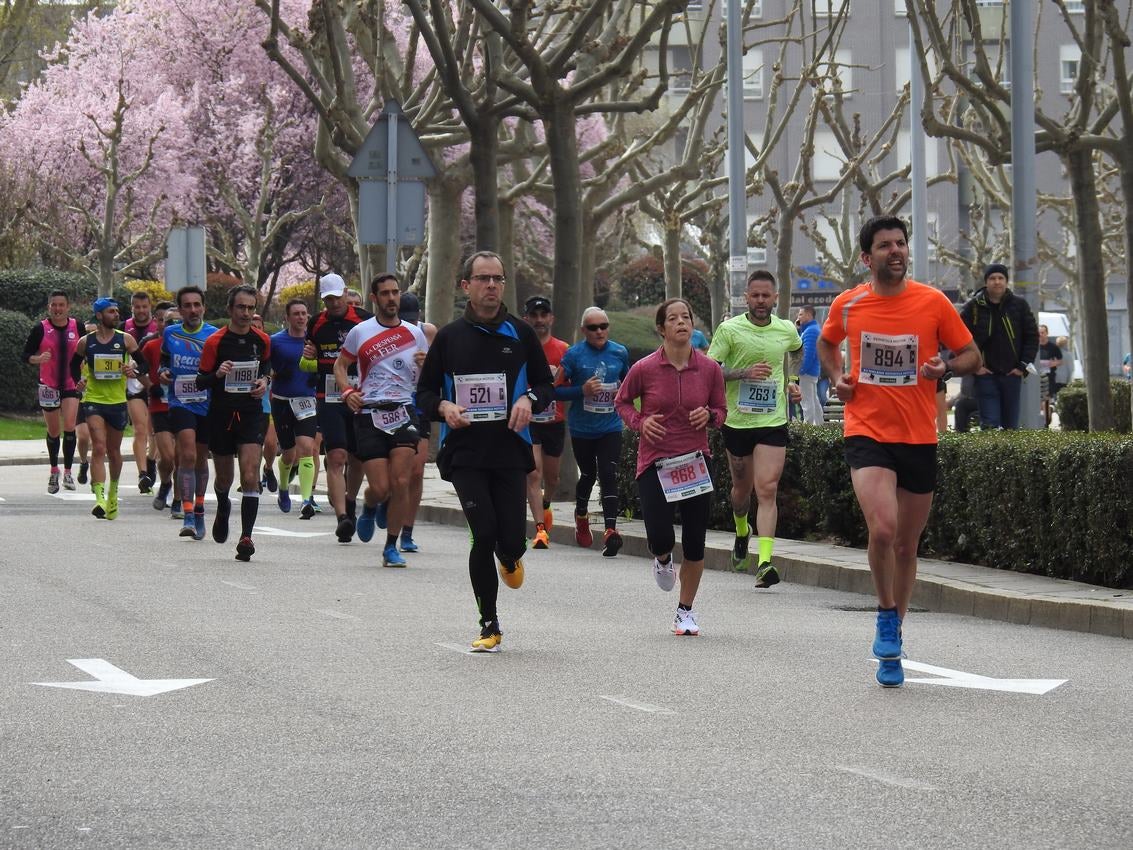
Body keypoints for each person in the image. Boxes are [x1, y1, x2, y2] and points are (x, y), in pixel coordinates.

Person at [818, 216, 980, 688]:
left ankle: (896, 634)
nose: (896, 251)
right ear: (867, 258)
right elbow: (827, 345)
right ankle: (885, 615)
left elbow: (973, 354)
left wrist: (942, 366)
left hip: (918, 436)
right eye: (885, 245)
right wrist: (836, 379)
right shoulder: (847, 305)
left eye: (901, 244)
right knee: (884, 529)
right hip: (867, 431)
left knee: (908, 545)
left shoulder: (932, 303)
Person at [416, 251, 553, 652]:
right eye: (483, 279)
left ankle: (510, 557)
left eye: (498, 278)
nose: (491, 285)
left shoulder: (521, 334)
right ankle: (489, 622)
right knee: (483, 532)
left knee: (510, 540)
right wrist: (444, 407)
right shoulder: (449, 337)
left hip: (510, 450)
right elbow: (424, 393)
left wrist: (528, 399)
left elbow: (545, 386)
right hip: (466, 453)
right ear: (466, 286)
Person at [615, 298, 727, 636]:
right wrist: (640, 421)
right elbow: (621, 402)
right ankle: (662, 559)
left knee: (694, 543)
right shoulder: (644, 368)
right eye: (673, 318)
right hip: (655, 461)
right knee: (661, 537)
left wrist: (709, 416)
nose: (682, 323)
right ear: (661, 328)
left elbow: (722, 412)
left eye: (687, 317)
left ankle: (685, 612)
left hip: (695, 460)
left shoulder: (709, 369)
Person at [707, 270, 802, 586]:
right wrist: (743, 373)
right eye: (755, 295)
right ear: (746, 297)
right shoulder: (729, 330)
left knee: (768, 488)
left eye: (767, 295)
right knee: (741, 492)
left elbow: (797, 349)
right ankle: (741, 531)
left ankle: (765, 562)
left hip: (773, 421)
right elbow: (711, 372)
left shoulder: (786, 329)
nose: (761, 301)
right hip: (738, 422)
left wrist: (794, 380)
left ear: (775, 298)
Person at [337, 274, 430, 568]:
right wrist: (347, 390)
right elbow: (341, 365)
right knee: (380, 487)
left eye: (395, 292)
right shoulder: (360, 332)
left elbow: (424, 378)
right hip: (369, 413)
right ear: (374, 298)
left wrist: (424, 366)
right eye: (385, 294)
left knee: (401, 480)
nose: (392, 298)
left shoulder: (415, 334)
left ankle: (391, 546)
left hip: (403, 410)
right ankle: (370, 504)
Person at [196, 285, 272, 561]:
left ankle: (246, 537)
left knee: (251, 476)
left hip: (251, 414)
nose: (246, 313)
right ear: (230, 309)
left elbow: (266, 369)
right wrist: (217, 374)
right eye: (241, 307)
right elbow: (200, 380)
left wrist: (265, 382)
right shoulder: (215, 342)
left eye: (251, 308)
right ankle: (223, 503)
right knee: (226, 478)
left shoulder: (262, 340)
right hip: (221, 415)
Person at [556, 307, 631, 556]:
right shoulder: (573, 355)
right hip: (582, 429)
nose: (599, 331)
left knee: (608, 473)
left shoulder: (619, 352)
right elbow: (554, 390)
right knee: (588, 474)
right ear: (583, 331)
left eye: (604, 326)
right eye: (593, 327)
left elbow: (630, 385)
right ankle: (581, 515)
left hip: (610, 426)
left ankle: (611, 530)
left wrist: (624, 393)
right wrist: (582, 391)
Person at [302, 273, 372, 540]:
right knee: (336, 456)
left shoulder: (365, 320)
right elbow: (307, 363)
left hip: (358, 395)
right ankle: (342, 517)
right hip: (328, 396)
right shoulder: (316, 323)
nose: (332, 304)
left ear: (345, 294)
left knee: (356, 457)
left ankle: (350, 500)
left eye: (336, 297)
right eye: (327, 299)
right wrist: (308, 357)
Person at [71, 298, 149, 519]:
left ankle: (113, 492)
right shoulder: (86, 342)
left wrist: (133, 370)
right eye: (111, 312)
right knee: (98, 447)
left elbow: (144, 364)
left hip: (117, 402)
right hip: (94, 400)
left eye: (117, 311)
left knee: (114, 452)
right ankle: (99, 499)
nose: (116, 315)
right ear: (99, 316)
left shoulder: (126, 340)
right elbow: (72, 365)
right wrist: (79, 381)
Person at [160, 285, 218, 540]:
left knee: (201, 458)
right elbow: (164, 362)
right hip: (180, 402)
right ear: (180, 309)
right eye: (187, 305)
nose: (193, 310)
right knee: (187, 452)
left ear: (203, 307)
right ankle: (187, 515)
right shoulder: (170, 333)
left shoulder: (214, 335)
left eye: (197, 305)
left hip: (207, 403)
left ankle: (200, 507)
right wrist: (162, 373)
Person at [959, 263, 1038, 429]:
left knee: (1011, 427)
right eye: (992, 278)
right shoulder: (972, 307)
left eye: (1001, 278)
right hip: (985, 375)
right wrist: (975, 367)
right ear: (986, 282)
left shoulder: (1019, 305)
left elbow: (1032, 337)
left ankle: (1008, 456)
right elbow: (957, 338)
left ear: (1006, 281)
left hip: (1012, 375)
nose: (997, 282)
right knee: (990, 425)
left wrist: (1022, 366)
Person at [21, 290, 82, 494]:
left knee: (70, 426)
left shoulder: (77, 326)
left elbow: (87, 353)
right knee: (54, 431)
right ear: (49, 307)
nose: (57, 309)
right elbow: (25, 355)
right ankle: (54, 470)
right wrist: (37, 359)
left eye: (61, 305)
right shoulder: (40, 328)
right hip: (48, 385)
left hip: (71, 384)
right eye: (54, 305)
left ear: (68, 307)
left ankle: (67, 471)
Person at [521, 295, 570, 549]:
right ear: (526, 318)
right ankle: (540, 530)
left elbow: (570, 386)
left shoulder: (563, 350)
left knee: (552, 479)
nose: (539, 320)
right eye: (534, 315)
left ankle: (547, 503)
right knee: (534, 473)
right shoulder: (520, 347)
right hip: (529, 420)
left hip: (554, 420)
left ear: (551, 318)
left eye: (544, 315)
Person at [395, 291, 437, 553]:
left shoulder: (429, 332)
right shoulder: (386, 333)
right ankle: (387, 507)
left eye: (414, 319)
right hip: (394, 403)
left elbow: (442, 369)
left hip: (420, 404)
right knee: (397, 473)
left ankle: (407, 532)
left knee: (417, 471)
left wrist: (427, 364)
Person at [270, 299, 318, 515]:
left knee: (307, 447)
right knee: (289, 454)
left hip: (307, 400)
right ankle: (283, 488)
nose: (301, 317)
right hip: (282, 402)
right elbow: (266, 369)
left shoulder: (313, 341)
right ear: (287, 317)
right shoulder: (276, 341)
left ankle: (306, 500)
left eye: (304, 313)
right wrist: (276, 374)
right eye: (296, 313)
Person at [140, 307, 180, 510]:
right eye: (167, 321)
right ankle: (165, 483)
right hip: (160, 407)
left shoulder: (192, 345)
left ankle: (179, 501)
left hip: (185, 405)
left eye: (175, 322)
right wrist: (150, 386)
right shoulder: (151, 346)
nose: (170, 326)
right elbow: (139, 370)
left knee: (183, 457)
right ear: (159, 323)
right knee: (168, 457)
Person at [122, 290, 157, 493]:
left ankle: (151, 461)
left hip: (154, 384)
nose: (141, 311)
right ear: (132, 307)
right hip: (133, 385)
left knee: (156, 433)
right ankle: (143, 473)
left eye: (145, 307)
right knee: (140, 429)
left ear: (150, 307)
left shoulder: (160, 327)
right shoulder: (123, 328)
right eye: (137, 307)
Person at [251, 314, 279, 492]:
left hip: (268, 404)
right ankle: (252, 479)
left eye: (258, 326)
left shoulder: (268, 346)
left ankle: (268, 469)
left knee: (270, 444)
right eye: (252, 326)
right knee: (252, 446)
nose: (255, 329)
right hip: (248, 407)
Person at [795, 304, 823, 425]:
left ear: (808, 315)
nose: (798, 317)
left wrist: (800, 370)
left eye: (801, 314)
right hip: (812, 371)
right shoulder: (812, 329)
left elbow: (808, 354)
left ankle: (809, 426)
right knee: (813, 400)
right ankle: (819, 425)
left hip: (807, 371)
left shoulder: (811, 331)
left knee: (807, 402)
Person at [1038, 324, 1064, 428]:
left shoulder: (1053, 347)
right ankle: (1045, 417)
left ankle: (1046, 423)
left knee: (1046, 400)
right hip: (1036, 378)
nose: (1041, 335)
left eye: (1043, 332)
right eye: (1039, 333)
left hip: (1049, 377)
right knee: (1040, 402)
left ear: (1047, 333)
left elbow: (1060, 361)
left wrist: (1052, 363)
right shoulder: (1034, 347)